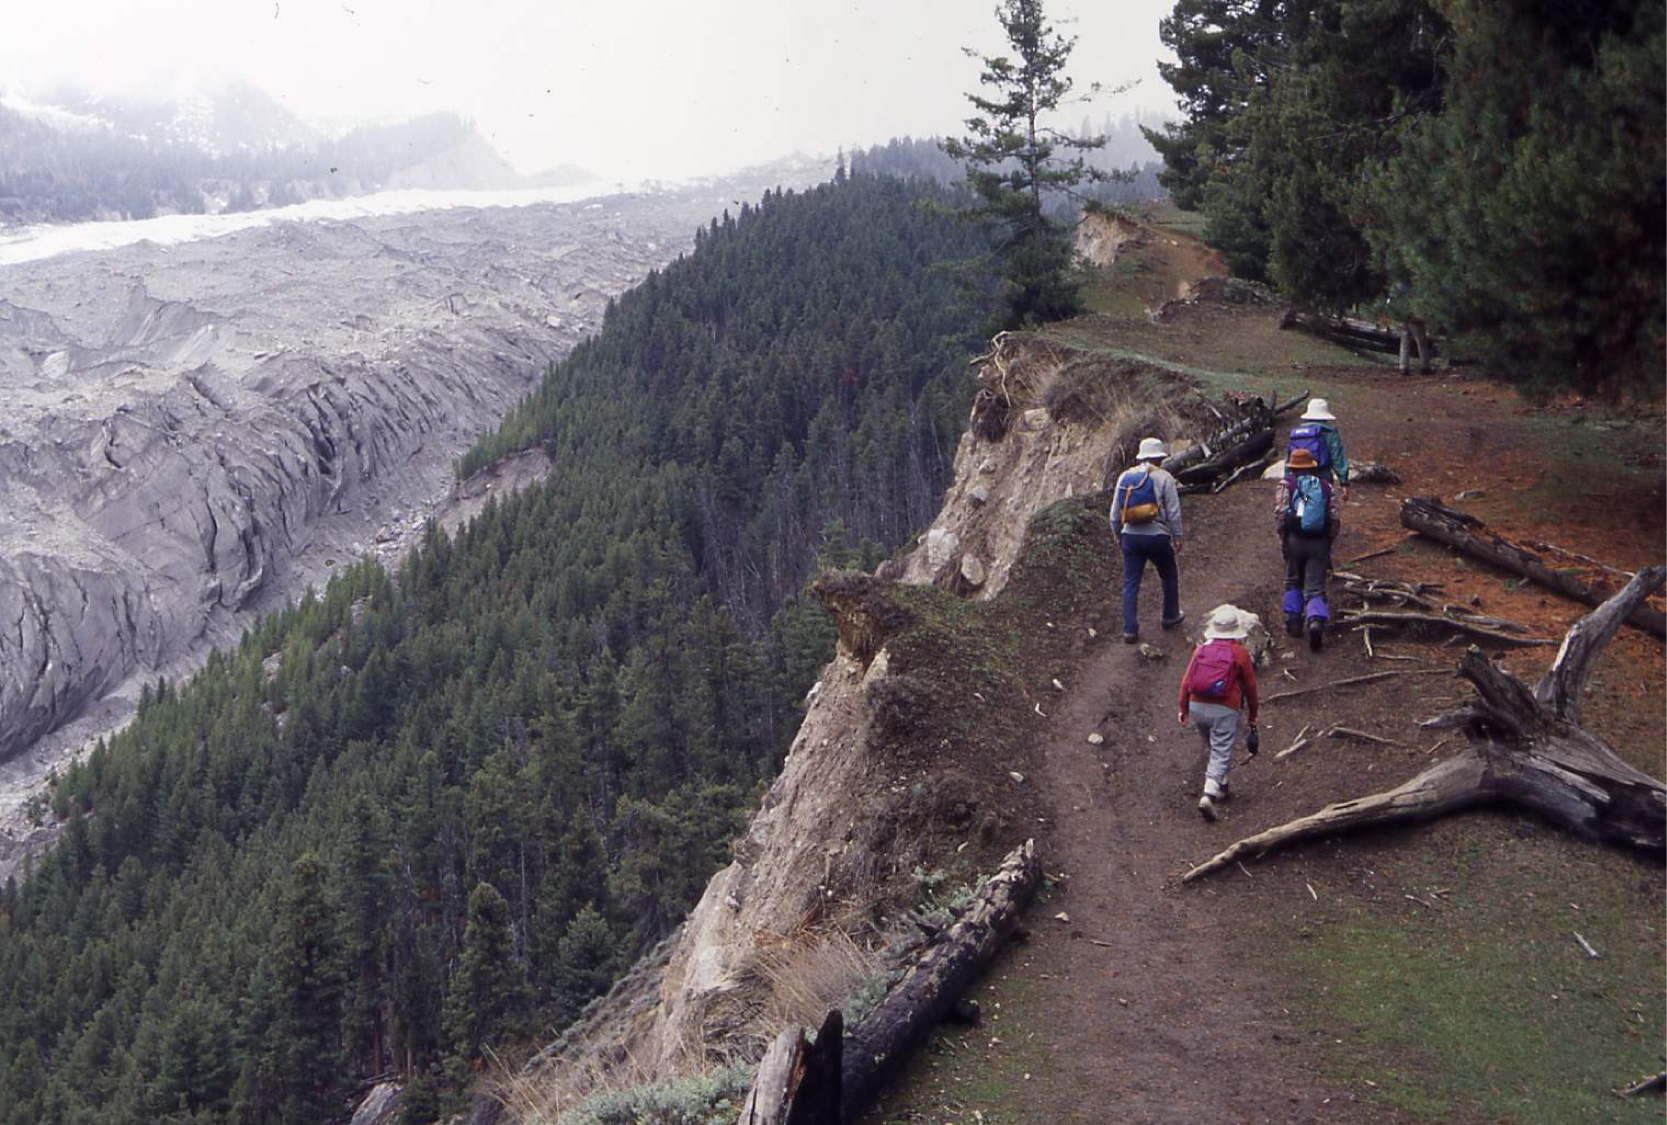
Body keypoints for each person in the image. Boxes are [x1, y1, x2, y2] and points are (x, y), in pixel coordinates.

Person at [1177, 606, 1259, 821]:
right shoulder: (1239, 653)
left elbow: (1186, 682)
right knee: (1221, 750)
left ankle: (1222, 787)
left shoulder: (1201, 650)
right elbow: (1250, 687)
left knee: (1213, 747)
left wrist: (1183, 709)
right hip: (1224, 709)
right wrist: (1253, 715)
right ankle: (1208, 794)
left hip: (1197, 707)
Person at [1110, 437, 1184, 643]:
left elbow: (1115, 514)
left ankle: (1130, 630)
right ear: (1158, 458)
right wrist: (1177, 536)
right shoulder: (1164, 477)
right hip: (1157, 536)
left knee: (1130, 583)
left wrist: (1118, 536)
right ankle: (1170, 616)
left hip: (1130, 536)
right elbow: (1174, 512)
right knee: (1168, 575)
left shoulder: (1125, 476)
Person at [1275, 447, 1341, 651]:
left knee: (1292, 580)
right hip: (1318, 542)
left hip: (1294, 540)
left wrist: (1284, 539)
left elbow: (1279, 515)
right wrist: (1328, 542)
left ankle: (1293, 621)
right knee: (1316, 586)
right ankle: (1315, 621)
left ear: (1292, 467)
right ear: (1312, 467)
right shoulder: (1326, 487)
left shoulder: (1286, 485)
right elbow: (1335, 519)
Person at [1286, 398, 1349, 498]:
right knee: (1323, 507)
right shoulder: (1330, 434)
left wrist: (1287, 480)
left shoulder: (1297, 433)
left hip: (1297, 480)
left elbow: (1289, 459)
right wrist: (1344, 482)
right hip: (1322, 478)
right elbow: (1338, 459)